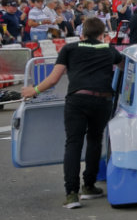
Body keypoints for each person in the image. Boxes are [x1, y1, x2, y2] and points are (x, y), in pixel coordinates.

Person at [22, 17, 123, 208]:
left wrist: (33, 90)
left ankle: (71, 194)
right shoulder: (109, 50)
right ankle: (89, 186)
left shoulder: (69, 49)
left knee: (73, 144)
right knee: (95, 140)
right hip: (102, 100)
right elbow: (124, 68)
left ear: (82, 33)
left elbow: (53, 79)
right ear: (102, 35)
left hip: (77, 99)